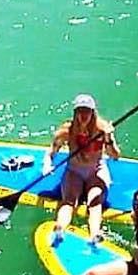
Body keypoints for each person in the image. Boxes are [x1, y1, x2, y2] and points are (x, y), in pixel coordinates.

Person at [41, 93, 119, 244]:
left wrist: (109, 139)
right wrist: (46, 164)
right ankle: (60, 228)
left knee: (95, 202)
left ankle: (95, 234)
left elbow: (115, 155)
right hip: (74, 171)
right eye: (80, 111)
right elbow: (51, 150)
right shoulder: (67, 131)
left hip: (96, 170)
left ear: (93, 112)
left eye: (87, 111)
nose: (83, 115)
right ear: (75, 113)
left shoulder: (102, 129)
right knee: (69, 201)